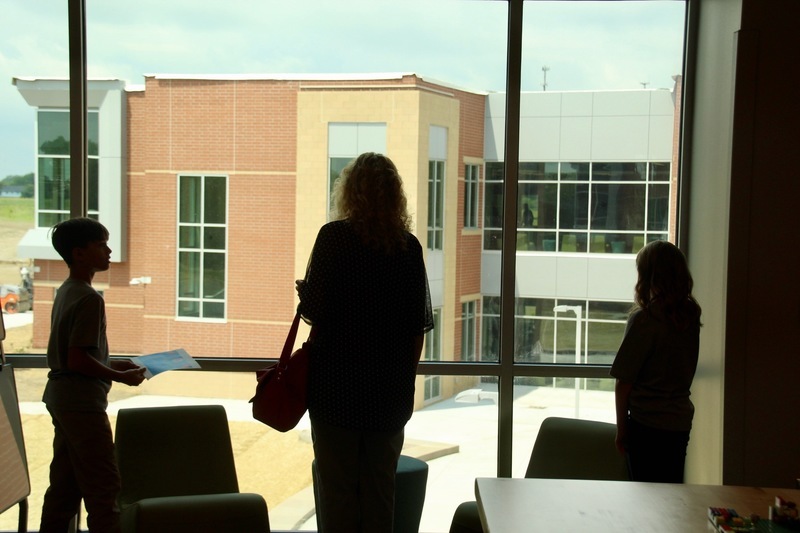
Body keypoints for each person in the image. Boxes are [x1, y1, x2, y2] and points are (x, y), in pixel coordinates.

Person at [297, 152, 433, 533]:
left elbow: (315, 313)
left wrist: (305, 292)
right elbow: (416, 329)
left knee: (337, 494)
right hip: (386, 394)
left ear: (350, 192)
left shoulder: (333, 238)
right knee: (380, 497)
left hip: (334, 389)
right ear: (395, 196)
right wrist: (403, 384)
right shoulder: (408, 248)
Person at [40, 218, 146, 533]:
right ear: (79, 253)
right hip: (81, 402)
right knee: (104, 489)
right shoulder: (89, 298)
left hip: (61, 398)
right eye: (101, 244)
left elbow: (76, 354)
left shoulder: (67, 290)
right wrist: (121, 376)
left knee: (65, 487)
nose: (109, 250)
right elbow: (77, 359)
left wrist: (114, 364)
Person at [610, 240, 702, 483]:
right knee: (669, 493)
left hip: (645, 424)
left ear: (648, 276)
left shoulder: (645, 320)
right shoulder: (690, 317)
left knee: (643, 498)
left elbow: (624, 382)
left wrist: (621, 430)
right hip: (679, 422)